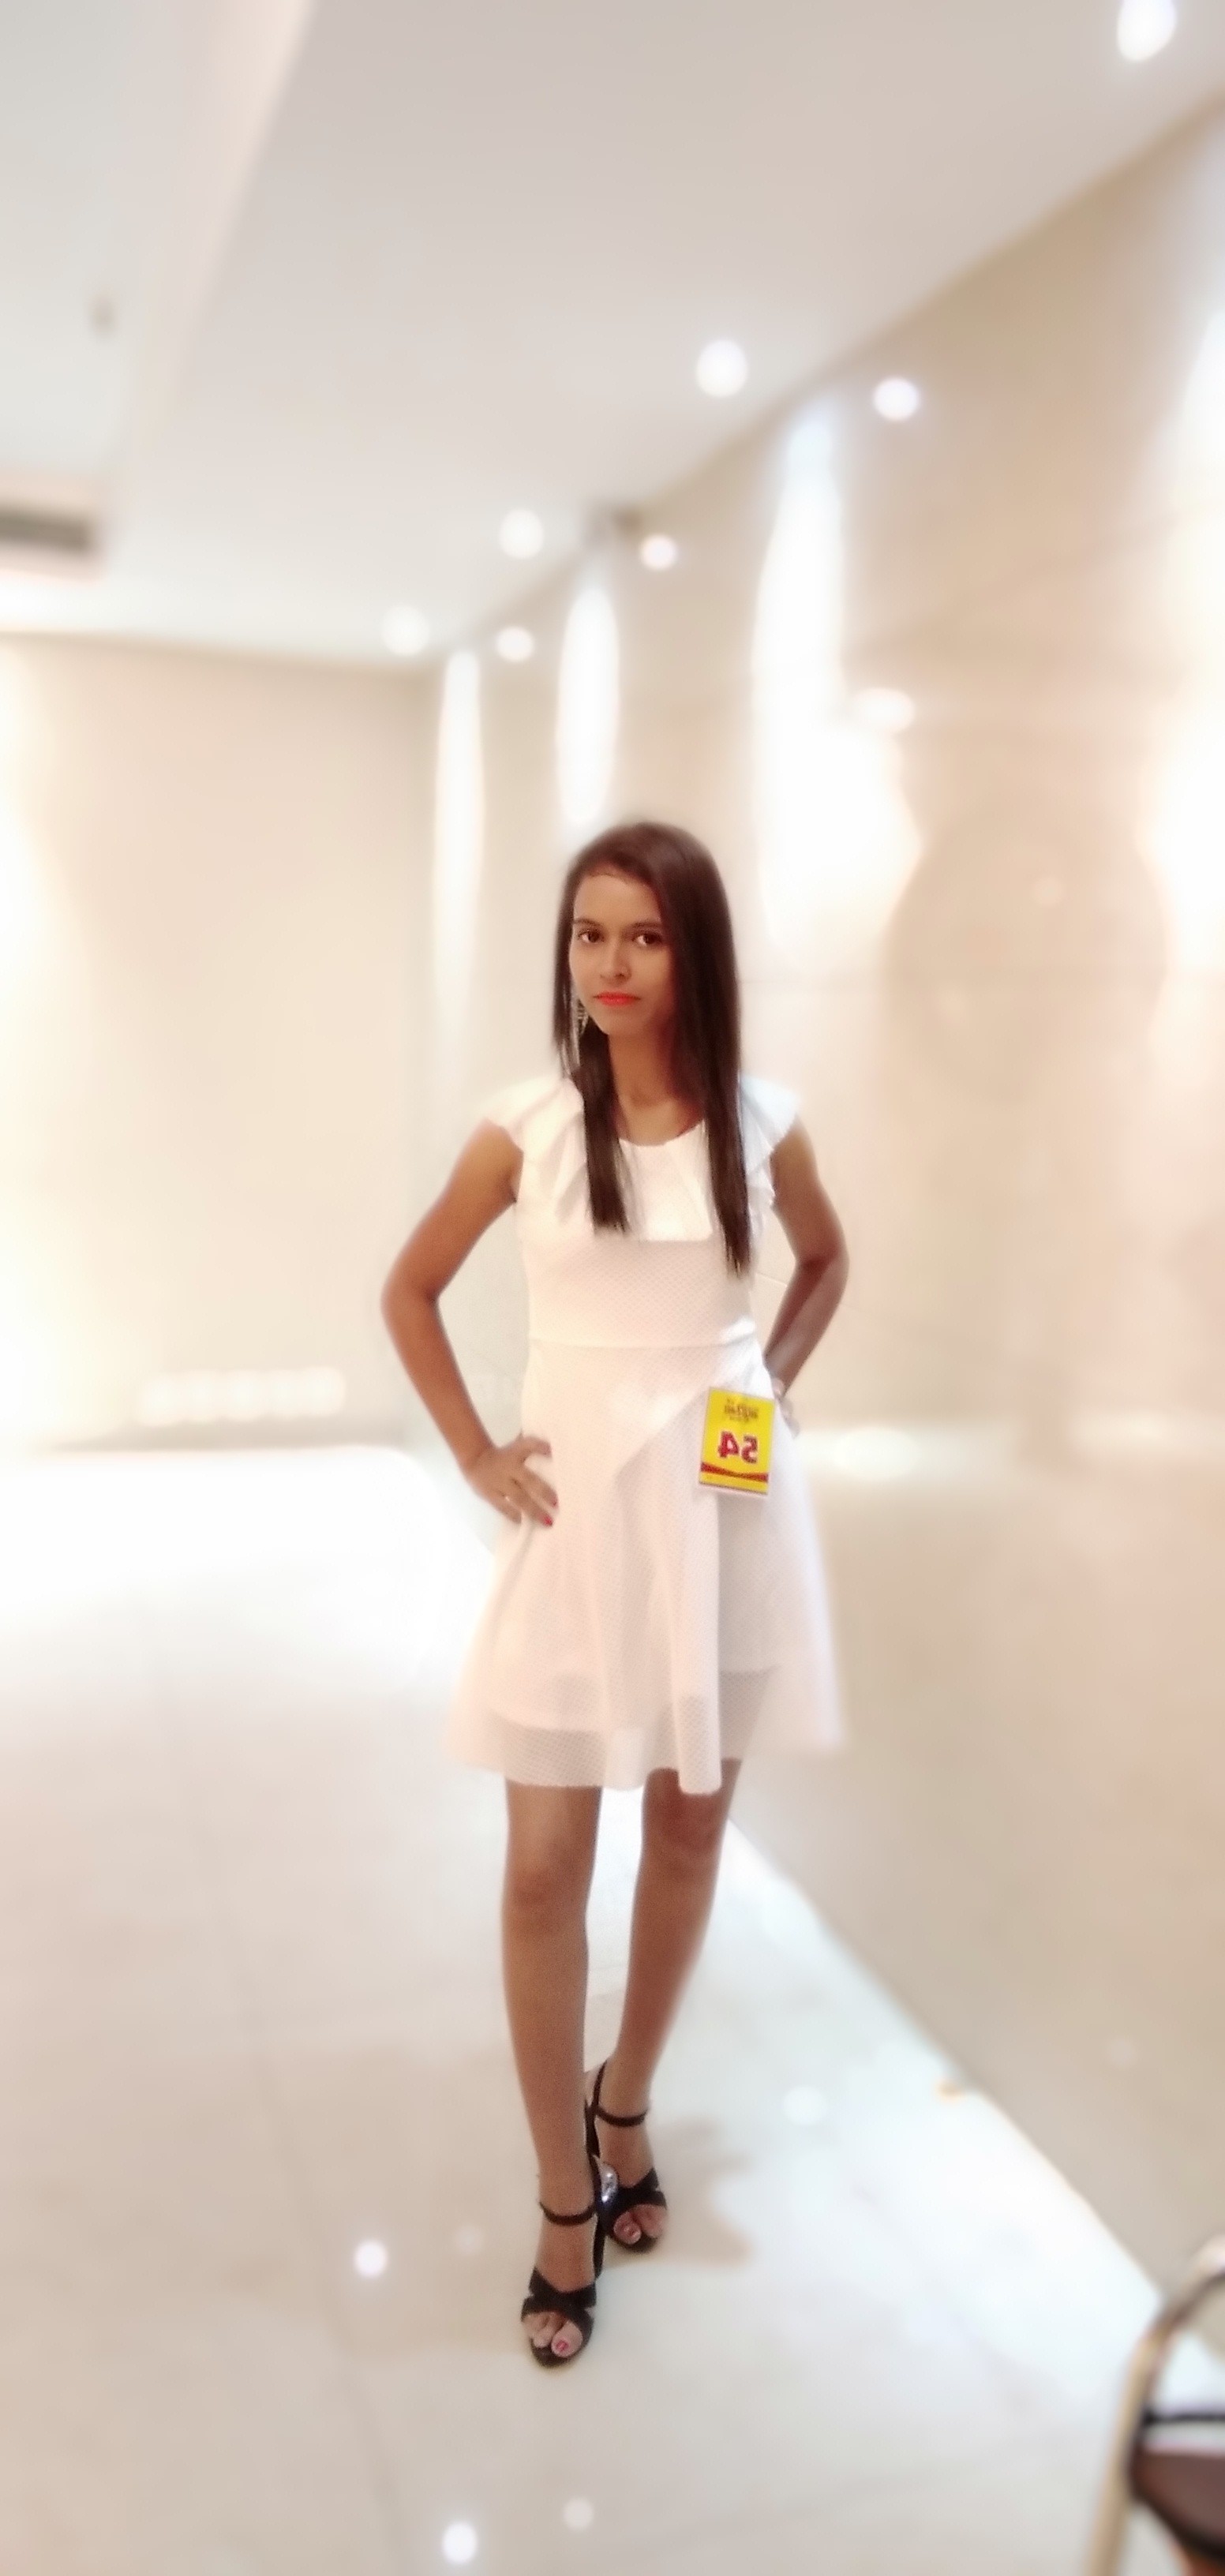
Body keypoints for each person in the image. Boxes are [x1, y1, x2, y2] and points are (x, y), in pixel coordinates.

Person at [381, 819, 848, 2368]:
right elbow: (409, 1286)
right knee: (540, 1866)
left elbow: (824, 1264)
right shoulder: (525, 1129)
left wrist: (764, 1391)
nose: (612, 964)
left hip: (718, 1508)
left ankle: (625, 2100)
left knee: (691, 1824)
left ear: (692, 950)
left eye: (643, 935)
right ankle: (559, 2194)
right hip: (579, 1522)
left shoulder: (762, 1121)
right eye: (590, 934)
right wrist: (474, 1452)